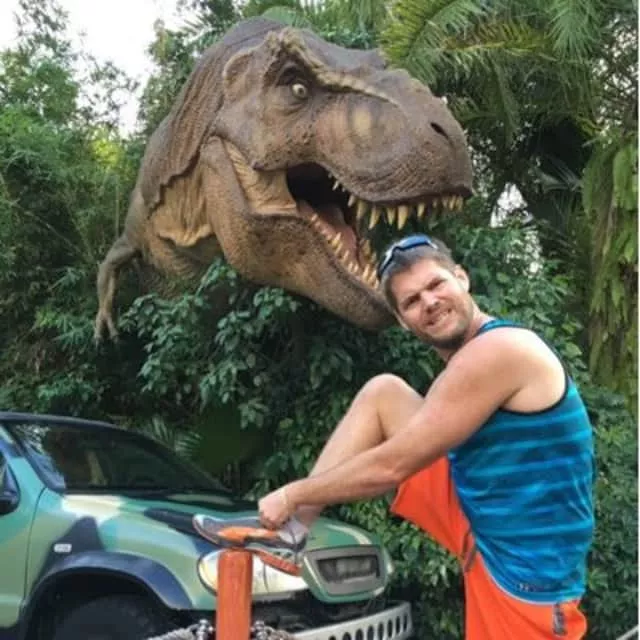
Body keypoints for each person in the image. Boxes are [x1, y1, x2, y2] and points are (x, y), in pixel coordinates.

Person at [258, 233, 595, 640]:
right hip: (482, 524)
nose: (429, 302)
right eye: (412, 301)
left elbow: (391, 466)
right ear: (403, 320)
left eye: (436, 284)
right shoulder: (467, 364)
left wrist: (290, 494)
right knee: (384, 394)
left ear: (462, 278)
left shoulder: (499, 350)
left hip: (527, 582)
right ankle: (291, 535)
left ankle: (293, 515)